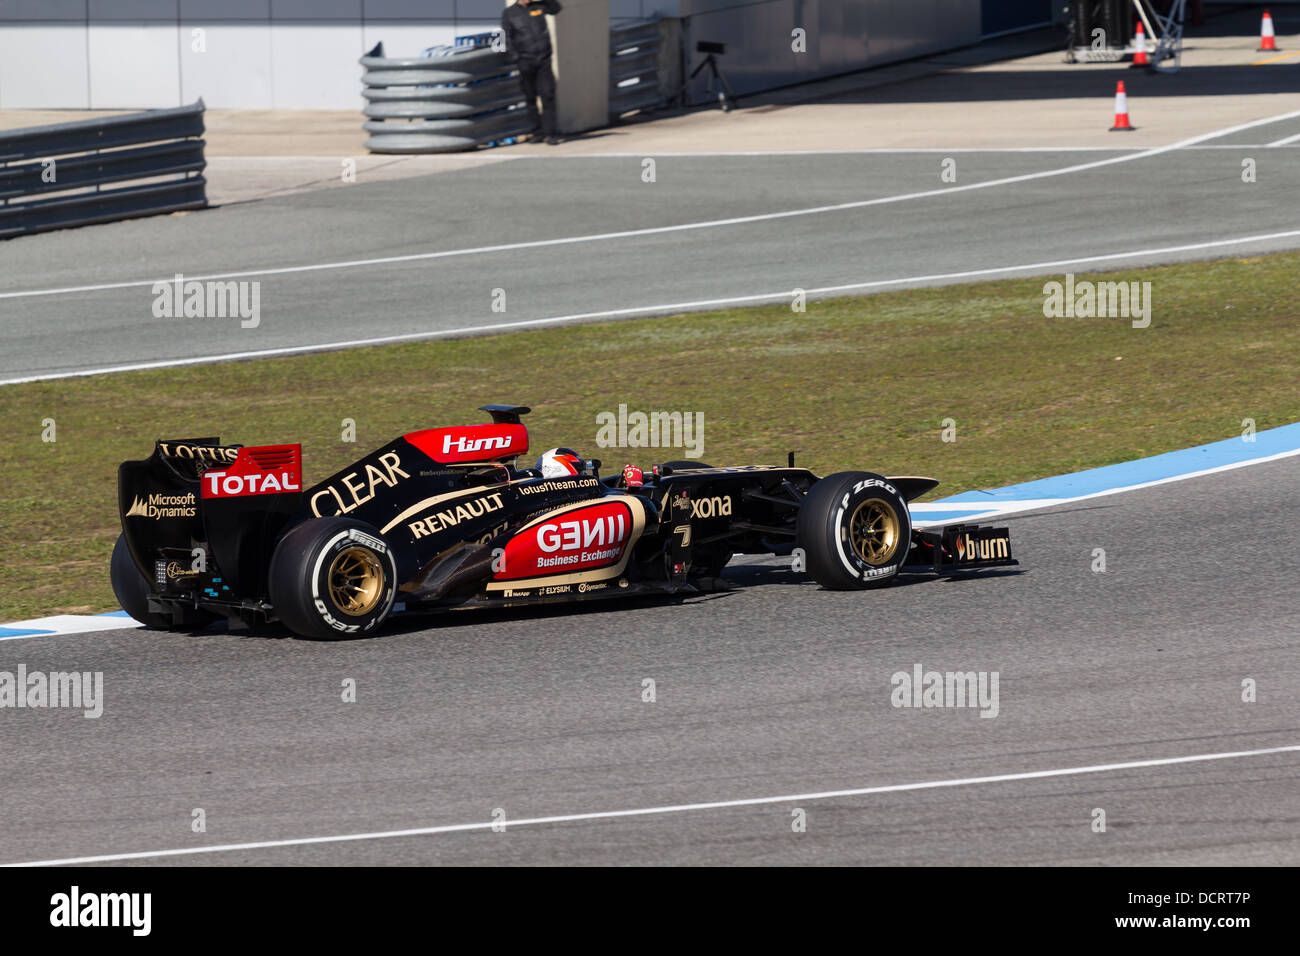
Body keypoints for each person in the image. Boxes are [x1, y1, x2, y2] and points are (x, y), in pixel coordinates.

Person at [501, 0, 563, 145]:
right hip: (525, 61)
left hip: (543, 60)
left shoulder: (539, 6)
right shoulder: (509, 13)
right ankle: (537, 132)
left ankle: (550, 134)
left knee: (548, 96)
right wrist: (516, 58)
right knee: (530, 98)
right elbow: (505, 38)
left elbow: (556, 9)